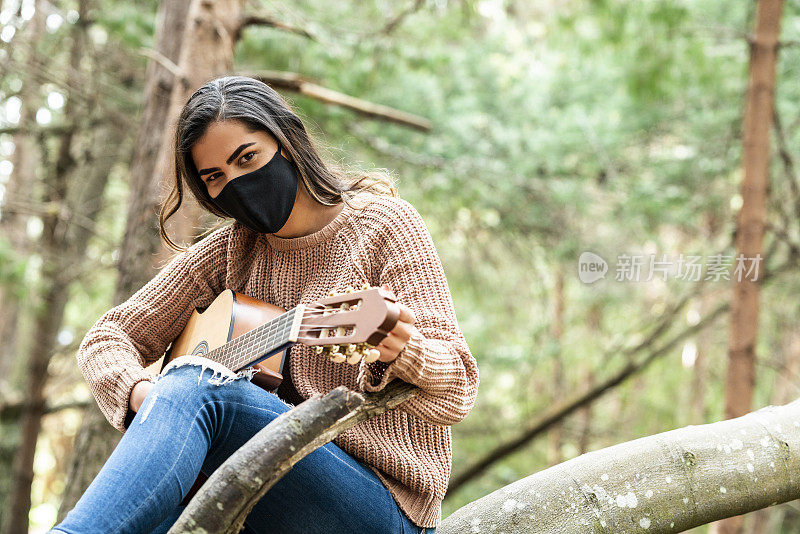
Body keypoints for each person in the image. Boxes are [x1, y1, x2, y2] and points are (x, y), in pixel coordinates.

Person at [51, 75, 479, 534]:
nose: (236, 182)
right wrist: (144, 395)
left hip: (377, 504)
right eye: (215, 176)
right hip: (259, 493)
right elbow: (107, 337)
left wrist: (403, 348)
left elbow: (457, 390)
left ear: (287, 142)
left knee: (198, 386)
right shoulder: (230, 252)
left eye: (247, 158)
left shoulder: (383, 227)